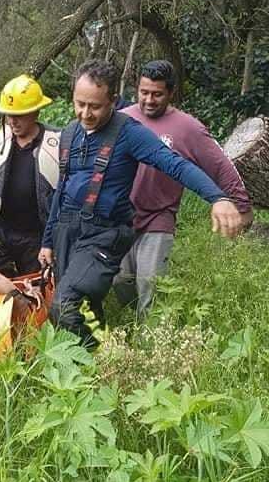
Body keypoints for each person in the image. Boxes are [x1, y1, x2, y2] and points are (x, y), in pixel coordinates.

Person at [37, 59, 247, 348]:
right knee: (88, 307)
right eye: (79, 104)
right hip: (67, 232)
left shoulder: (129, 133)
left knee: (65, 305)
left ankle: (97, 358)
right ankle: (100, 364)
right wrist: (48, 242)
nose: (85, 113)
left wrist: (218, 197)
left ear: (113, 100)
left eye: (94, 106)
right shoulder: (70, 133)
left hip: (103, 235)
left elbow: (175, 164)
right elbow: (62, 189)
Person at [113, 60, 253, 318]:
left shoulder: (188, 128)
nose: (149, 100)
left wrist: (241, 205)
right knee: (121, 281)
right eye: (144, 92)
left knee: (151, 286)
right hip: (121, 217)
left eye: (157, 94)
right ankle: (130, 328)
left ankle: (151, 339)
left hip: (159, 216)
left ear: (171, 93)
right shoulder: (122, 119)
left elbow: (221, 166)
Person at [0, 74, 61, 276]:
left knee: (35, 292)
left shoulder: (57, 143)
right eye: (8, 115)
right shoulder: (1, 140)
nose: (13, 121)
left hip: (36, 238)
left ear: (35, 112)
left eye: (20, 115)